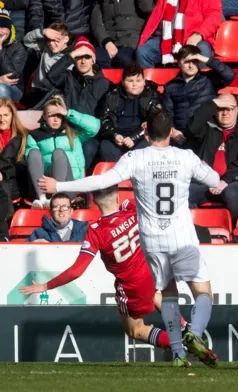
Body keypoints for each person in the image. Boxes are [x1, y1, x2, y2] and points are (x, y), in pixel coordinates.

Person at [38, 109, 220, 368]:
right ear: (171, 132)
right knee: (201, 293)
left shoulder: (134, 160)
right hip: (181, 238)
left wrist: (61, 187)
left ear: (145, 131)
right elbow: (213, 179)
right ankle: (195, 332)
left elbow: (101, 180)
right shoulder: (183, 159)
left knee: (152, 310)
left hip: (150, 250)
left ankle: (178, 349)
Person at [19, 187, 181, 355]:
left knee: (135, 330)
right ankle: (185, 328)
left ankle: (179, 344)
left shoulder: (96, 230)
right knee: (156, 295)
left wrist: (46, 286)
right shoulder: (132, 209)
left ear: (94, 202)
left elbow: (76, 271)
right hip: (152, 270)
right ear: (118, 197)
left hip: (130, 283)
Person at [187, 94, 238, 225]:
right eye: (221, 109)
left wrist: (225, 181)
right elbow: (193, 127)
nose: (225, 113)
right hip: (206, 181)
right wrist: (213, 102)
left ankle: (235, 231)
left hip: (233, 182)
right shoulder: (207, 127)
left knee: (231, 194)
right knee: (184, 194)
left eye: (229, 109)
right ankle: (196, 229)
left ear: (237, 110)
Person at [26, 97, 100, 208]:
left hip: (69, 185)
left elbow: (94, 126)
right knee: (32, 153)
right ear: (44, 117)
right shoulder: (35, 135)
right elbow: (32, 160)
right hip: (45, 186)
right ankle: (42, 200)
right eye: (51, 115)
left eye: (59, 115)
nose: (56, 119)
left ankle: (56, 199)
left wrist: (67, 112)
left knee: (58, 153)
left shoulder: (73, 132)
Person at [163, 45, 236, 145]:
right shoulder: (170, 86)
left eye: (195, 61)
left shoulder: (208, 79)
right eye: (187, 61)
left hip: (206, 135)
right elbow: (168, 114)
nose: (191, 65)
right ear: (179, 63)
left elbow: (230, 75)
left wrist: (204, 58)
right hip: (180, 136)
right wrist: (173, 130)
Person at [97, 62, 163, 162]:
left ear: (144, 81)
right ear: (123, 82)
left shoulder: (152, 95)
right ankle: (117, 176)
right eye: (130, 80)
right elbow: (104, 119)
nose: (135, 84)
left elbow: (156, 119)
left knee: (147, 148)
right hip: (117, 138)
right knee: (105, 147)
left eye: (138, 80)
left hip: (141, 138)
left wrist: (134, 138)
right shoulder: (111, 95)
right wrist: (114, 135)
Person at [135, 0, 222, 68]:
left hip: (194, 38)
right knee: (143, 51)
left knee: (202, 50)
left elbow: (214, 16)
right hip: (167, 38)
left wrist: (198, 34)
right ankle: (149, 88)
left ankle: (201, 88)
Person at [91, 0, 154, 69]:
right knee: (98, 58)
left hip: (131, 42)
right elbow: (96, 23)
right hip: (109, 41)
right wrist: (106, 42)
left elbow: (147, 7)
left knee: (123, 59)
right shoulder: (100, 2)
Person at [22, 22, 71, 109]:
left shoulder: (70, 57)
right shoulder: (46, 47)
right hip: (36, 90)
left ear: (66, 39)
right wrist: (42, 32)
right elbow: (27, 41)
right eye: (49, 40)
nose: (51, 44)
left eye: (55, 40)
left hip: (55, 94)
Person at [0, 98, 29, 201]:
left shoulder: (23, 137)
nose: (2, 119)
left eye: (6, 115)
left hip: (15, 181)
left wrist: (3, 175)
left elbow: (21, 166)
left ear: (12, 116)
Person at [0, 5, 28, 102]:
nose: (0, 31)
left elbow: (12, 75)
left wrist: (0, 49)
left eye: (3, 27)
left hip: (13, 89)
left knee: (1, 88)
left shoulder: (18, 47)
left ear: (10, 29)